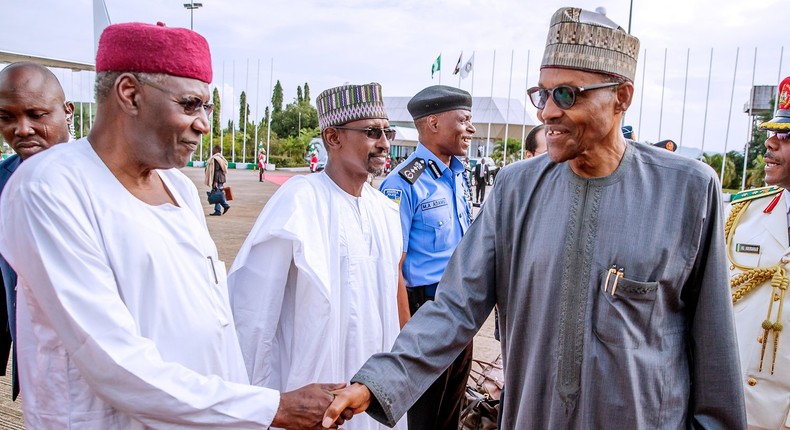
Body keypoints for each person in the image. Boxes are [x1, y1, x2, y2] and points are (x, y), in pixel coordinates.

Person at [324, 7, 746, 429]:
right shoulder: (515, 189)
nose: (546, 112)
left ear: (621, 97)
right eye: (542, 94)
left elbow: (713, 349)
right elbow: (454, 307)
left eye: (567, 94)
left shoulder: (687, 190)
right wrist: (377, 381)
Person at [0, 22, 343, 429]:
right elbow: (113, 362)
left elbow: (213, 327)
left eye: (207, 108)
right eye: (189, 105)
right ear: (130, 94)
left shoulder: (177, 186)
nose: (203, 124)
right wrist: (270, 407)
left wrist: (242, 408)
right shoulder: (49, 187)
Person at [228, 82, 408, 430]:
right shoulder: (299, 201)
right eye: (372, 132)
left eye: (388, 131)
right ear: (332, 137)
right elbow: (253, 315)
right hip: (311, 395)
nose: (385, 143)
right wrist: (260, 405)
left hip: (375, 396)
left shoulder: (386, 211)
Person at [377, 85, 475, 430]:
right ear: (433, 123)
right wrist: (407, 335)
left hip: (460, 306)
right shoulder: (403, 183)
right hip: (425, 311)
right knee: (426, 414)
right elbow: (394, 266)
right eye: (463, 120)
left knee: (453, 405)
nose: (471, 129)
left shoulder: (459, 175)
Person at [0, 61, 74, 401]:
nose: (22, 129)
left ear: (67, 111)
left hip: (97, 372)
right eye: (7, 117)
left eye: (37, 114)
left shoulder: (109, 179)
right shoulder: (2, 179)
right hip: (35, 369)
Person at [725, 75, 790, 429]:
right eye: (772, 133)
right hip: (732, 407)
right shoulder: (741, 215)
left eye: (786, 136)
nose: (770, 144)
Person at [205, 144, 231, 216]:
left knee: (217, 194)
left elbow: (216, 170)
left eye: (213, 149)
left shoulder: (216, 159)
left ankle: (224, 206)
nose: (212, 150)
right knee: (217, 194)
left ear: (216, 150)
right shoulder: (221, 158)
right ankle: (218, 210)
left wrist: (215, 181)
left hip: (218, 179)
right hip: (221, 178)